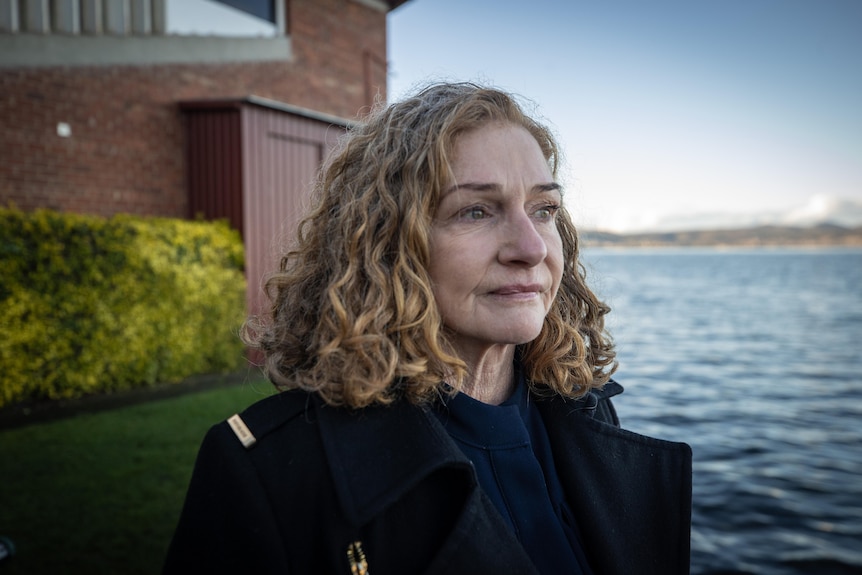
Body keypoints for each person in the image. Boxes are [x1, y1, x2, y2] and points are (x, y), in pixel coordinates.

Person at [163, 82, 692, 575]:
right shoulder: (270, 471)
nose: (531, 247)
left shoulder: (588, 408)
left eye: (544, 208)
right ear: (385, 245)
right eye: (476, 211)